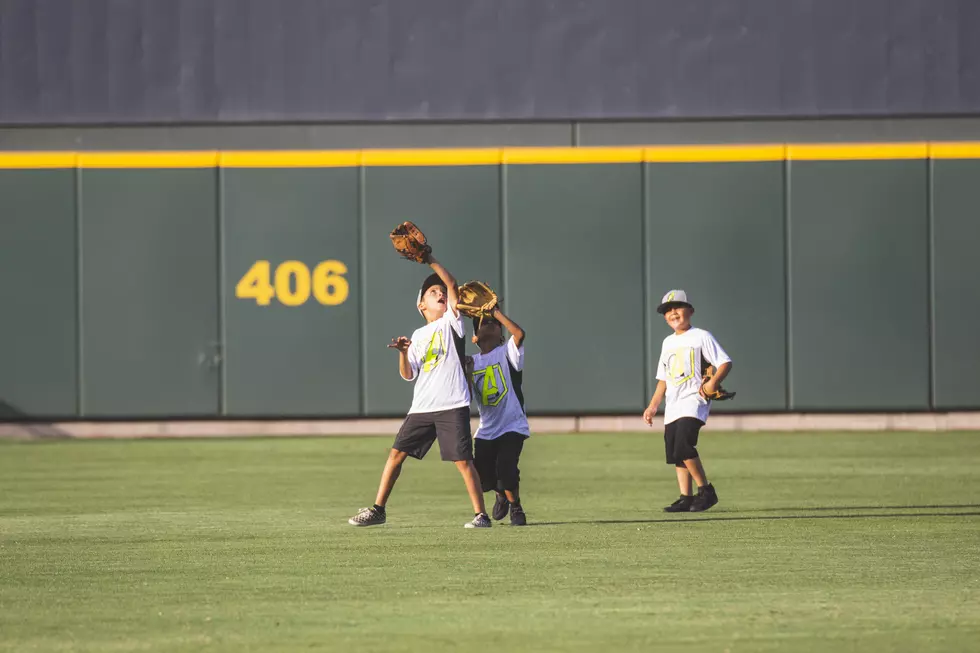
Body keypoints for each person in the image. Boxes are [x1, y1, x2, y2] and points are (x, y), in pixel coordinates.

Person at [348, 257, 491, 528]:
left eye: (442, 292)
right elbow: (408, 374)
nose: (440, 293)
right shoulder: (418, 334)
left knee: (462, 460)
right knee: (395, 455)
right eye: (432, 292)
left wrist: (429, 260)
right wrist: (403, 353)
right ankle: (378, 509)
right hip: (423, 406)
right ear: (421, 305)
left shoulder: (452, 321)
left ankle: (480, 515)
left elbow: (451, 283)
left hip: (452, 402)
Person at [643, 290, 732, 513]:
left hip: (694, 400)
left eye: (678, 307)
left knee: (684, 445)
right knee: (675, 451)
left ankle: (706, 491)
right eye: (667, 310)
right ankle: (686, 497)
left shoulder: (701, 336)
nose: (673, 312)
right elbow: (663, 379)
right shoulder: (667, 342)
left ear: (690, 311)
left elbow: (724, 362)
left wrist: (712, 384)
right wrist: (653, 405)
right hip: (673, 404)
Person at [466, 306, 529, 526]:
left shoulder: (507, 353)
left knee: (506, 469)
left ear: (502, 334)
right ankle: (500, 493)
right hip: (486, 429)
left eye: (494, 323)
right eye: (484, 323)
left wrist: (496, 312)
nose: (490, 324)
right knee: (483, 477)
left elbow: (519, 334)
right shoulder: (471, 363)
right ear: (474, 337)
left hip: (512, 425)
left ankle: (516, 506)